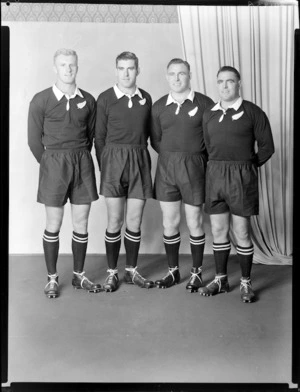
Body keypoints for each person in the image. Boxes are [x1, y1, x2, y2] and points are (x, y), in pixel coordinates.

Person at [28, 48, 101, 299]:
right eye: (63, 65)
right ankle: (52, 278)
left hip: (81, 161)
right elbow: (33, 141)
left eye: (72, 65)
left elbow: (91, 136)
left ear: (77, 67)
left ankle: (79, 275)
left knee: (81, 222)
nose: (68, 69)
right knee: (54, 223)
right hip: (54, 164)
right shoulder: (41, 100)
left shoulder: (88, 100)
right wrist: (50, 164)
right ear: (55, 68)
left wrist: (80, 158)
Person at [199, 65, 275, 303]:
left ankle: (245, 282)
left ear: (238, 84)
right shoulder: (209, 113)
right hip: (215, 175)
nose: (224, 86)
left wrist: (247, 167)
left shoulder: (253, 112)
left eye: (229, 81)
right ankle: (221, 279)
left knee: (241, 232)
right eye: (220, 81)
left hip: (242, 176)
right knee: (219, 230)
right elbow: (207, 146)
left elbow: (267, 148)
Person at [151, 58, 214, 291]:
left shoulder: (205, 104)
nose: (177, 78)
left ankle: (196, 273)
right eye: (172, 74)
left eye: (182, 74)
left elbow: (211, 139)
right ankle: (173, 271)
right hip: (167, 167)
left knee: (195, 221)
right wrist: (172, 156)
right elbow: (156, 140)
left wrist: (193, 157)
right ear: (167, 76)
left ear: (190, 75)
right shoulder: (158, 106)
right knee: (170, 222)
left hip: (195, 166)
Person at [95, 51, 154, 292]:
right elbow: (99, 137)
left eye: (131, 68)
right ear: (116, 70)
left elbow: (152, 133)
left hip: (139, 158)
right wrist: (106, 166)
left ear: (138, 70)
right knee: (115, 220)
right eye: (122, 68)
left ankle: (131, 271)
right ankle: (112, 273)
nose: (126, 73)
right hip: (113, 160)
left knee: (134, 220)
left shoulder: (146, 98)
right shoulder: (106, 98)